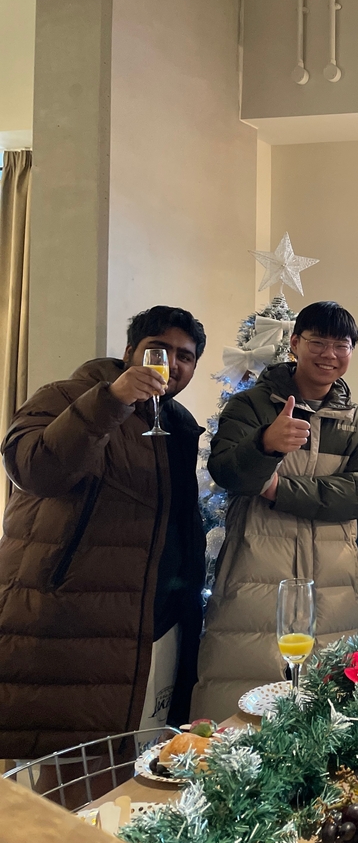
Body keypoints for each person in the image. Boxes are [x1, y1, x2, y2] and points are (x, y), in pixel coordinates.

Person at [0, 306, 207, 764]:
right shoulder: (65, 395)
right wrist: (112, 400)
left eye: (185, 356)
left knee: (129, 767)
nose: (172, 364)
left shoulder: (179, 423)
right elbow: (33, 469)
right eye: (159, 350)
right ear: (131, 351)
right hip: (69, 619)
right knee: (61, 768)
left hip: (152, 622)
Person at [191, 301, 358, 721]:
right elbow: (226, 472)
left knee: (328, 711)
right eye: (318, 342)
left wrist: (278, 487)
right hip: (254, 574)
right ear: (295, 343)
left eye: (341, 345)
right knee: (237, 697)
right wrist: (264, 445)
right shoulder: (249, 407)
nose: (329, 354)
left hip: (334, 586)